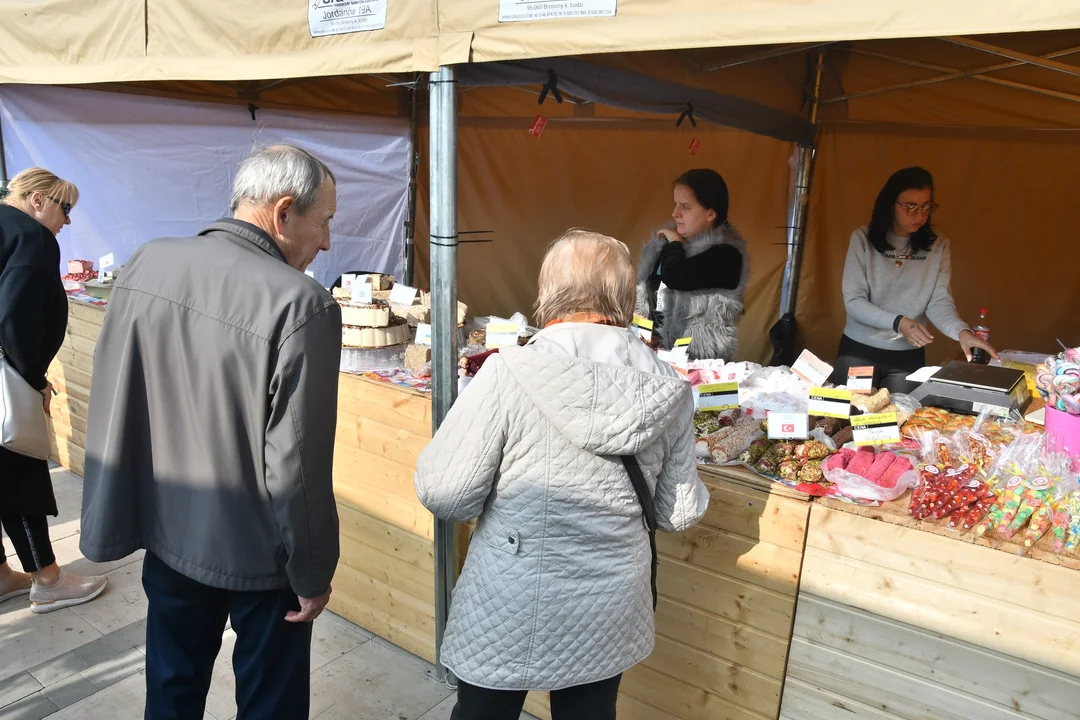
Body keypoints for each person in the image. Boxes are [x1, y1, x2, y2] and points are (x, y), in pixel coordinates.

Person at [79, 145, 343, 719]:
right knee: (270, 702)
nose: (326, 242)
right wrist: (313, 571)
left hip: (169, 529)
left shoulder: (149, 261)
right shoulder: (303, 305)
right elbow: (297, 464)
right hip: (260, 552)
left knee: (171, 688)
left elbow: (115, 392)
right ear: (282, 212)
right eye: (323, 222)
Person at [415, 229, 711, 720]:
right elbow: (678, 513)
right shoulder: (669, 387)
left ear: (548, 290)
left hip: (510, 597)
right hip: (611, 601)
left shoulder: (509, 371)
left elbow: (446, 493)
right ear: (622, 296)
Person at [0, 168, 109, 613]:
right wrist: (33, 381)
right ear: (38, 199)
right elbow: (15, 316)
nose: (67, 221)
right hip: (7, 378)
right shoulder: (31, 236)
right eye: (65, 208)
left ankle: (3, 576)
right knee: (18, 474)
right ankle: (47, 580)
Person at [833, 166, 998, 394]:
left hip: (907, 356)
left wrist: (962, 332)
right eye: (910, 207)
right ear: (890, 204)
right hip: (859, 352)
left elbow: (938, 302)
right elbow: (853, 301)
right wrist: (899, 322)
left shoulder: (938, 246)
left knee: (902, 422)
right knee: (849, 422)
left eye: (926, 207)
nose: (920, 215)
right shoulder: (862, 239)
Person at [635, 168, 749, 362]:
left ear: (710, 213)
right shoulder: (665, 245)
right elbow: (646, 295)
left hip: (699, 365)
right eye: (675, 204)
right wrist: (641, 343)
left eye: (685, 207)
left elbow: (676, 276)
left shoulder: (726, 254)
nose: (675, 213)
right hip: (653, 358)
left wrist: (676, 243)